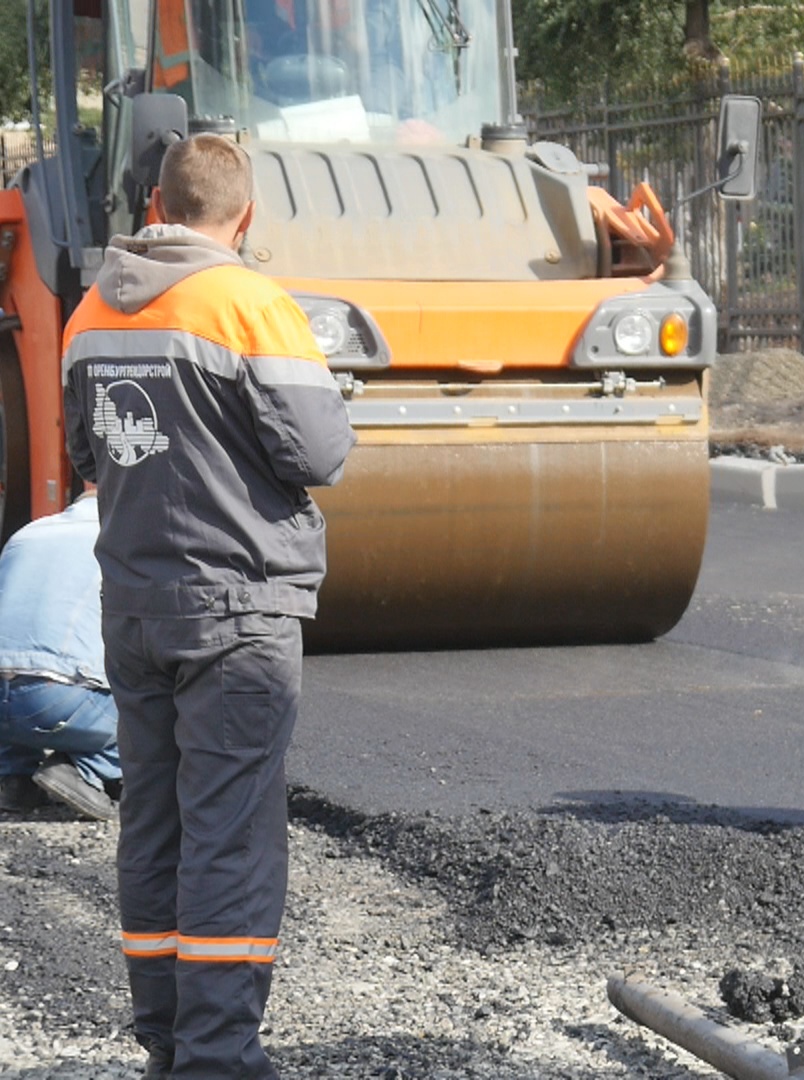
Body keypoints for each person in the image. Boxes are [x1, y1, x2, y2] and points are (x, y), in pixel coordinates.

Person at [62, 133, 356, 1079]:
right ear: (246, 214)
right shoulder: (250, 303)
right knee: (230, 829)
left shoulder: (91, 309)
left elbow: (86, 451)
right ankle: (218, 1057)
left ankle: (167, 1044)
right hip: (237, 607)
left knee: (154, 823)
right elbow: (318, 454)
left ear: (155, 201)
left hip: (134, 603)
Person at [0, 488, 120, 822]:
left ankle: (13, 779)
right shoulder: (122, 537)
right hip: (56, 701)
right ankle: (85, 770)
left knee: (16, 664)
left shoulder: (27, 533)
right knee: (159, 700)